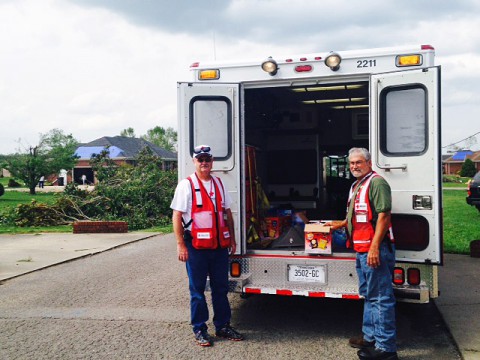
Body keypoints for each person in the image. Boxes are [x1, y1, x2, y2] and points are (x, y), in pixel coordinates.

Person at [170, 144, 244, 347]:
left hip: (219, 246)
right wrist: (180, 245)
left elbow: (227, 213)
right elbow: (177, 215)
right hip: (195, 247)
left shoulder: (219, 184)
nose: (204, 163)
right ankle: (200, 329)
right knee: (197, 290)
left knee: (221, 288)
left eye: (207, 159)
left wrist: (233, 239)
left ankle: (222, 326)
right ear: (194, 162)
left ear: (212, 162)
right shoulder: (186, 185)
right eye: (200, 159)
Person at [329, 148, 397, 360]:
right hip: (361, 250)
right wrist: (339, 224)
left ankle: (386, 349)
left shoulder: (377, 182)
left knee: (380, 298)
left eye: (358, 162)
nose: (354, 166)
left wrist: (375, 247)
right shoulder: (357, 185)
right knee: (369, 294)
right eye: (351, 163)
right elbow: (357, 217)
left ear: (368, 163)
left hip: (374, 250)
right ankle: (370, 337)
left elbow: (384, 216)